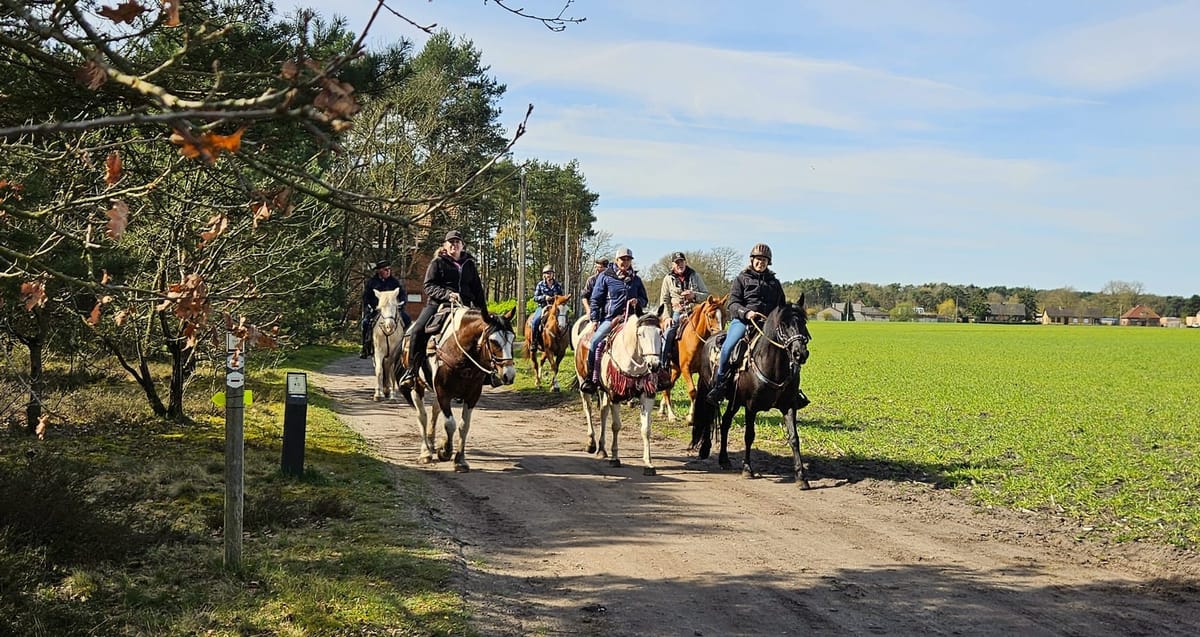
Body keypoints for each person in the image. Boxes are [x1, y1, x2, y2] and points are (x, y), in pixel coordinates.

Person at [399, 230, 494, 388]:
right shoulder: (437, 262)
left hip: (465, 307)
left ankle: (486, 372)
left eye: (457, 242)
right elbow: (428, 286)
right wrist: (446, 294)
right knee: (417, 331)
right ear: (445, 245)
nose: (454, 245)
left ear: (462, 246)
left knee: (484, 334)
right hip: (437, 305)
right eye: (451, 242)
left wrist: (484, 312)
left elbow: (477, 290)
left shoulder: (469, 264)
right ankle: (412, 371)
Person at [706, 243, 785, 405]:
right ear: (752, 260)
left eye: (764, 260)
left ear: (768, 263)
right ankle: (720, 384)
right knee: (729, 347)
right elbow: (732, 304)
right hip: (743, 321)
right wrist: (746, 312)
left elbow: (781, 306)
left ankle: (791, 389)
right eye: (757, 259)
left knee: (788, 348)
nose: (760, 262)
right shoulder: (741, 279)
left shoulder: (774, 283)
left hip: (768, 324)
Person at [580, 247, 648, 394]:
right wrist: (594, 320)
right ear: (616, 260)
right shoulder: (605, 276)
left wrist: (639, 302)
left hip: (632, 319)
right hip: (611, 318)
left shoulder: (636, 280)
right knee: (595, 342)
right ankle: (590, 378)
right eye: (622, 259)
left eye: (628, 259)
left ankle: (652, 377)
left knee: (650, 339)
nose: (625, 262)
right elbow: (595, 300)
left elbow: (645, 299)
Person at [657, 251, 709, 367]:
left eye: (681, 262)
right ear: (673, 265)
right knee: (668, 333)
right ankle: (663, 364)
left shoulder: (695, 276)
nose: (680, 265)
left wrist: (694, 295)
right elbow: (664, 301)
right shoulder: (668, 279)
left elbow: (706, 294)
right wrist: (666, 318)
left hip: (695, 311)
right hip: (678, 312)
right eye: (677, 263)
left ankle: (713, 363)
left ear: (685, 262)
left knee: (711, 330)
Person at [360, 260, 409, 358]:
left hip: (392, 310)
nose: (388, 271)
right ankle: (365, 346)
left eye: (389, 269)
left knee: (407, 320)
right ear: (379, 271)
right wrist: (369, 307)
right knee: (365, 323)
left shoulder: (394, 282)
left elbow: (402, 294)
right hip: (376, 309)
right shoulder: (372, 282)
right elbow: (366, 297)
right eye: (385, 269)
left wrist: (402, 302)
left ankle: (406, 345)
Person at [529, 264, 564, 352]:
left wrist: (557, 299)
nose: (549, 275)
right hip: (543, 307)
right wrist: (545, 297)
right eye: (547, 273)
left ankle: (567, 342)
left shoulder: (558, 285)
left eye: (550, 273)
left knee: (564, 319)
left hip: (555, 307)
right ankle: (534, 342)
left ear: (553, 274)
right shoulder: (540, 285)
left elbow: (561, 296)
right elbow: (536, 297)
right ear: (544, 275)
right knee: (535, 321)